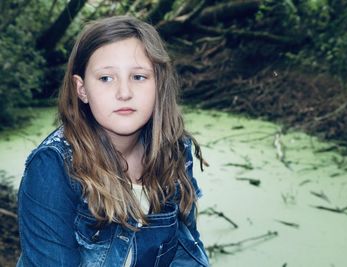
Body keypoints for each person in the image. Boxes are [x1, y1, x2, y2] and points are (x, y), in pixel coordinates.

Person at [17, 16, 209, 267]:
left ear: (159, 83)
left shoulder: (173, 151)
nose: (124, 93)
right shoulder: (53, 167)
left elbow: (186, 253)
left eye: (138, 77)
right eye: (106, 78)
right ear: (82, 88)